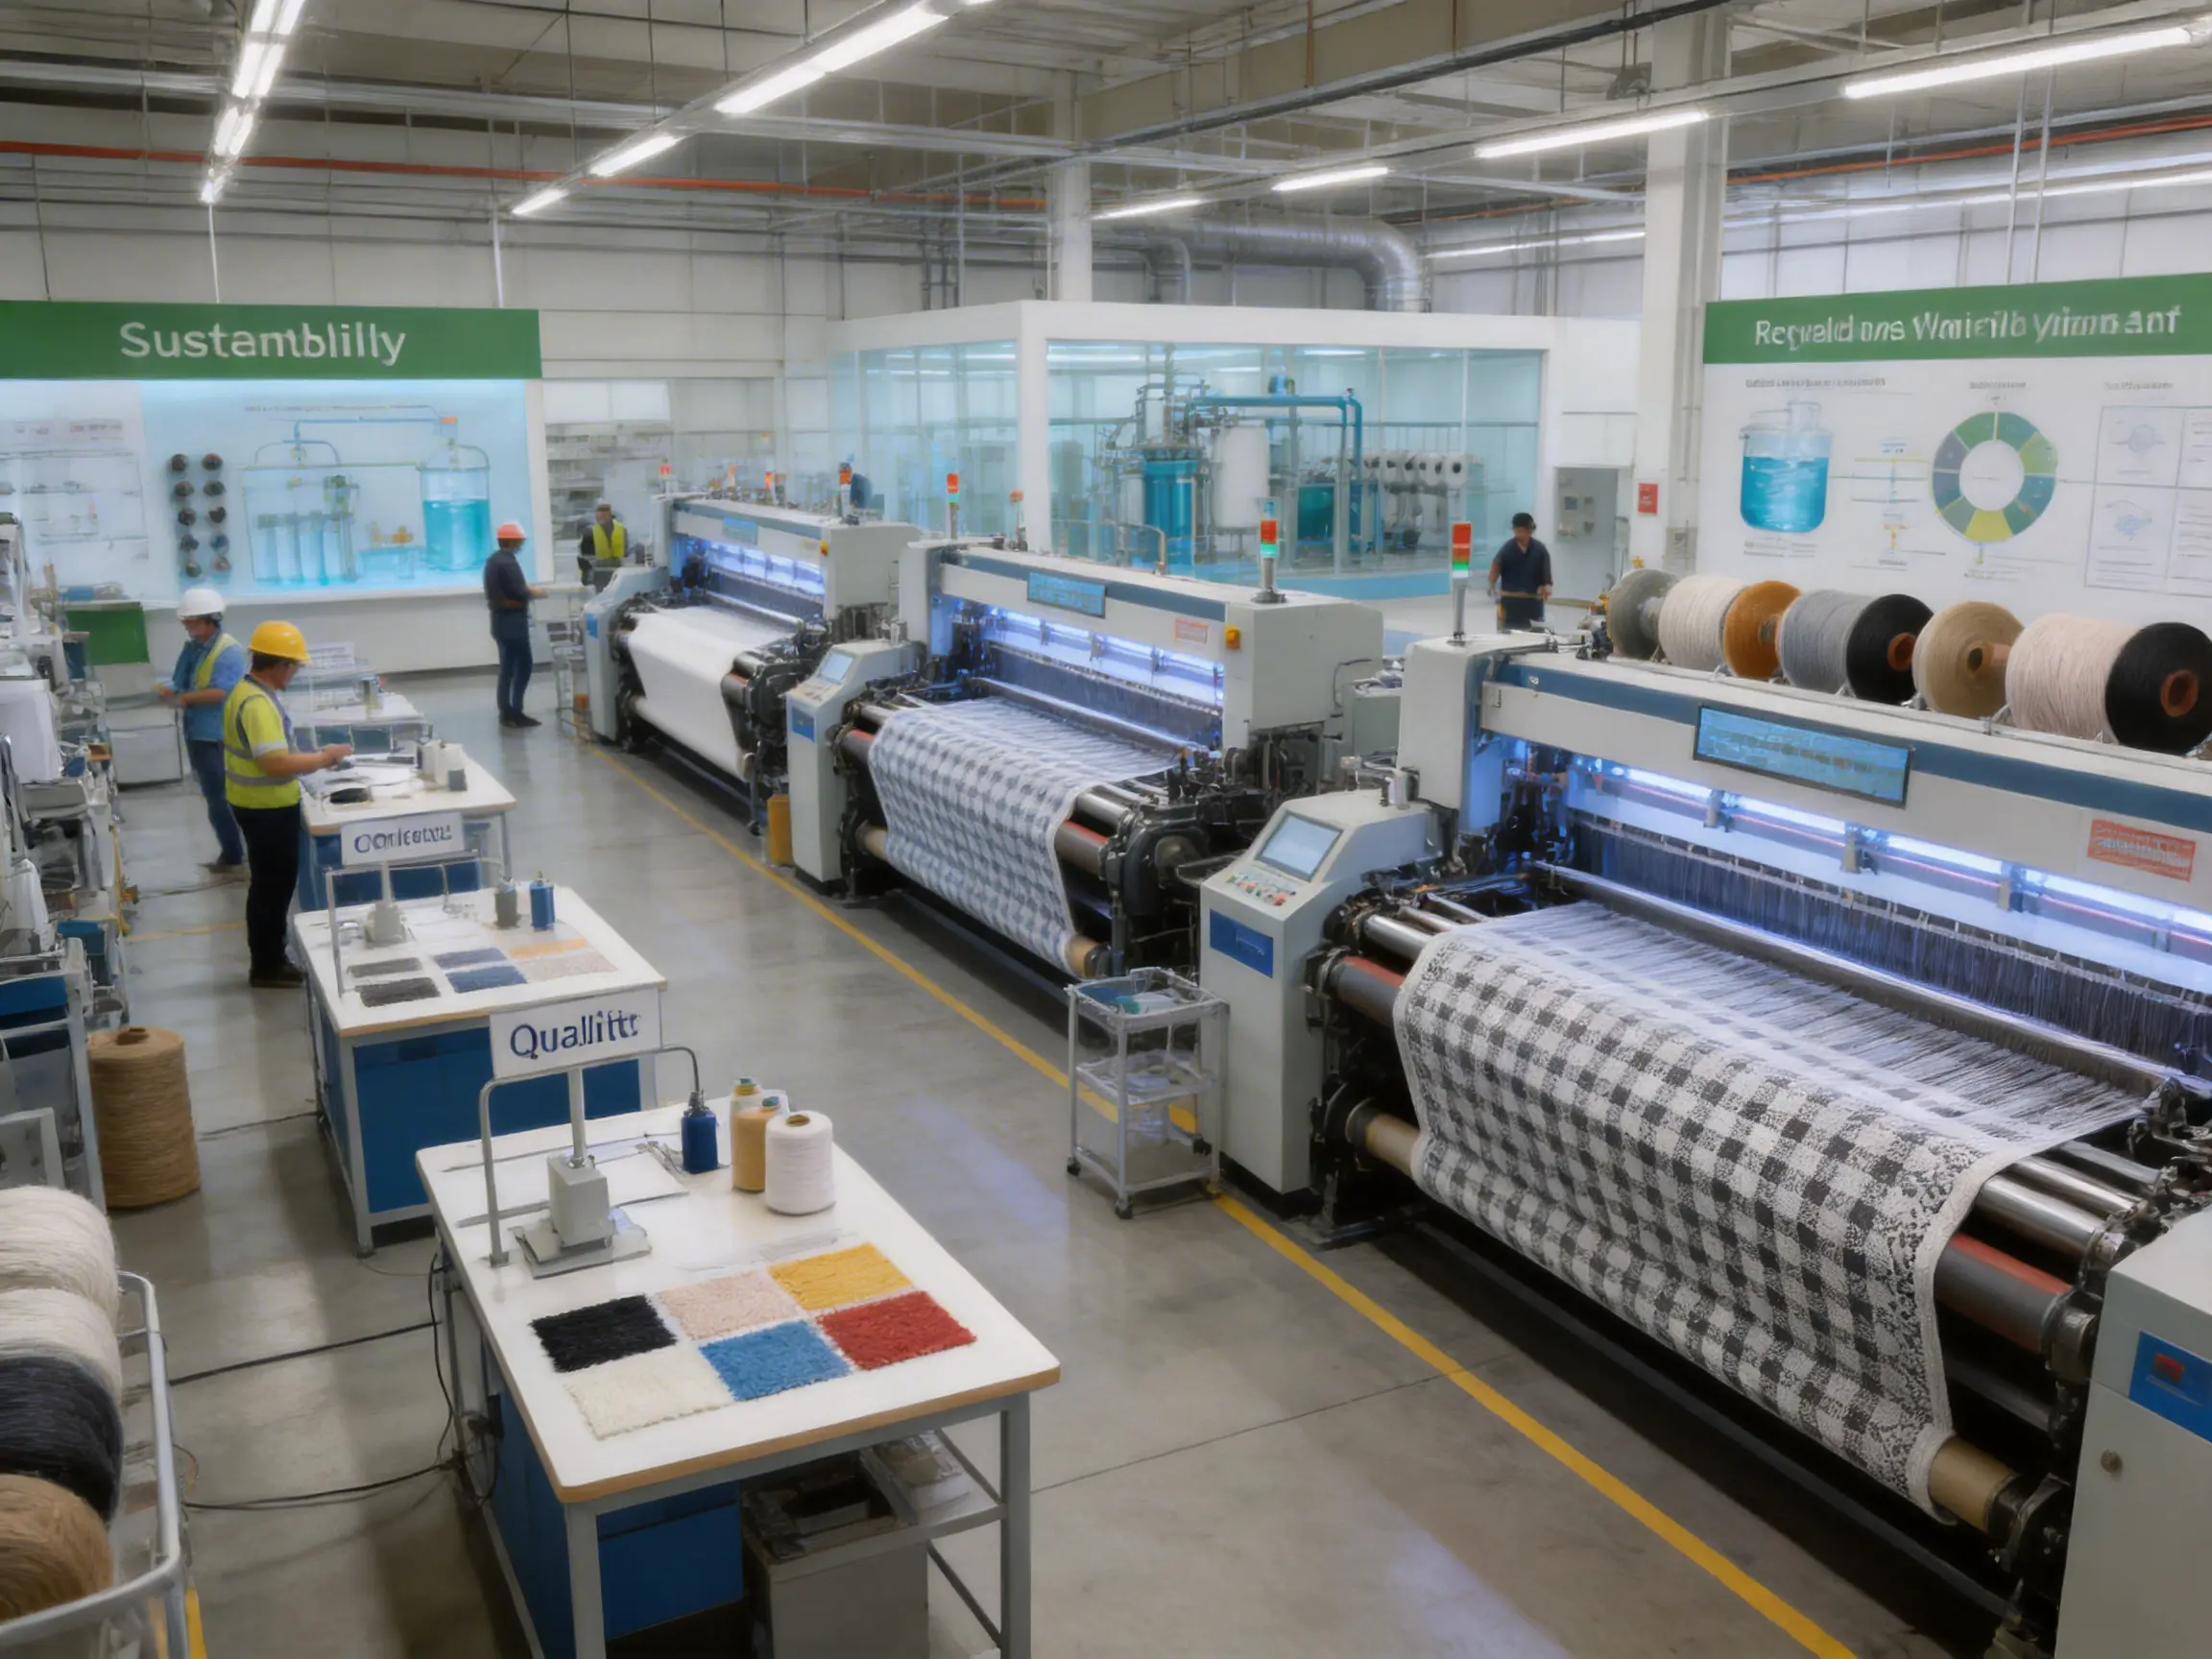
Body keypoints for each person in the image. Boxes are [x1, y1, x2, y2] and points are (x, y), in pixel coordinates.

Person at [221, 622, 350, 989]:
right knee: (272, 889)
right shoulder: (258, 704)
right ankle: (268, 965)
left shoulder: (243, 691)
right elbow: (274, 763)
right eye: (294, 667)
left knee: (268, 886)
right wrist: (325, 758)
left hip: (253, 803)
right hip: (266, 808)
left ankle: (270, 958)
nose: (294, 674)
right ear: (281, 665)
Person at [158, 586, 247, 878]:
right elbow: (181, 680)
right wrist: (167, 690)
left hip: (217, 734)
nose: (186, 625)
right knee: (212, 795)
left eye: (191, 620)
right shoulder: (194, 648)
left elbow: (222, 692)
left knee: (221, 797)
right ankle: (230, 851)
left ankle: (234, 855)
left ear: (209, 619)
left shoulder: (228, 650)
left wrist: (183, 698)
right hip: (197, 731)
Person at [485, 520, 547, 728]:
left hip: (499, 622)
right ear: (512, 541)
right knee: (524, 665)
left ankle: (506, 712)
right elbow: (520, 592)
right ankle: (516, 711)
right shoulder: (509, 563)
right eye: (519, 541)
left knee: (507, 669)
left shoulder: (493, 561)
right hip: (513, 624)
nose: (521, 545)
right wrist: (536, 592)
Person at [1488, 511, 1553, 631]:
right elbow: (1495, 567)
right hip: (1511, 603)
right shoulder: (1507, 549)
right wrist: (1491, 586)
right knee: (1510, 635)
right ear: (1514, 530)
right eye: (1518, 531)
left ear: (1531, 531)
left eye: (1524, 531)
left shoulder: (1540, 550)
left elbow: (1546, 576)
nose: (1521, 534)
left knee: (1535, 634)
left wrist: (1546, 586)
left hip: (1533, 603)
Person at [577, 500, 626, 587]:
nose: (602, 516)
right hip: (599, 575)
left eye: (605, 513)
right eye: (601, 513)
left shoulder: (621, 530)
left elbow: (627, 553)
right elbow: (584, 558)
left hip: (618, 574)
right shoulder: (590, 533)